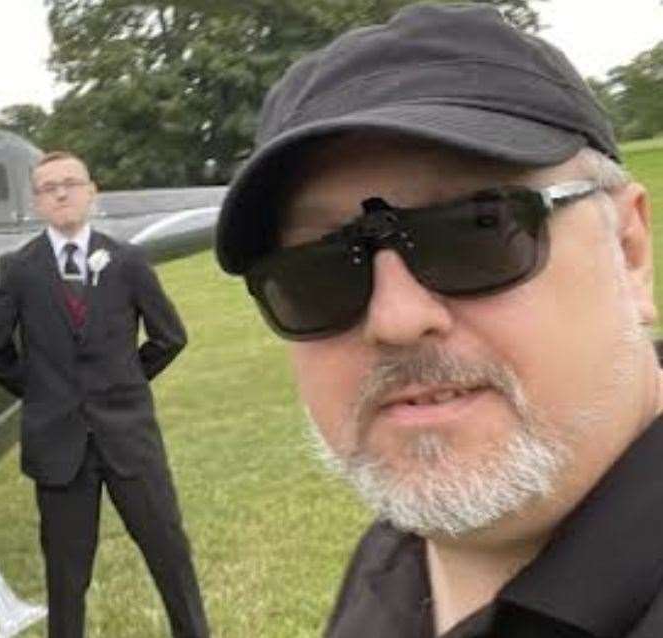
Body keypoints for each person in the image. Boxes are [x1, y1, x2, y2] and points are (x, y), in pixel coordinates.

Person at [215, 4, 661, 637]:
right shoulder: (397, 556)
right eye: (318, 268)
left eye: (477, 230)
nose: (394, 318)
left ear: (629, 248)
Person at [0, 151, 209, 638]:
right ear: (37, 202)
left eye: (70, 183)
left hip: (129, 439)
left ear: (91, 191)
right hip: (59, 448)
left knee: (169, 553)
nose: (60, 193)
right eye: (48, 188)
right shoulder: (19, 269)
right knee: (66, 573)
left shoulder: (127, 261)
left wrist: (125, 380)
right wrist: (43, 393)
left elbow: (170, 337)